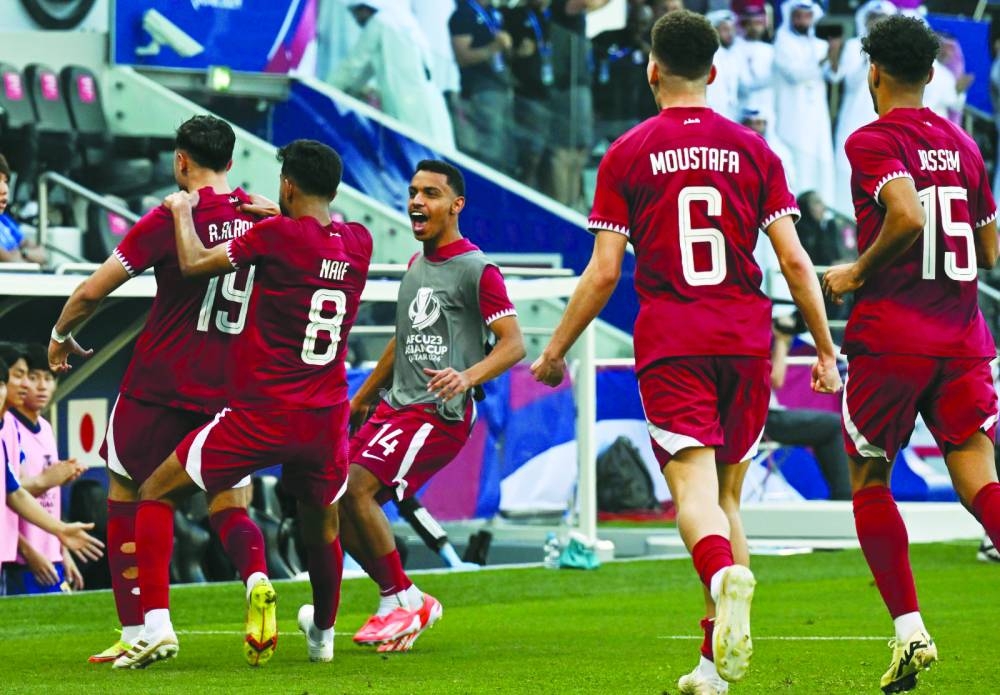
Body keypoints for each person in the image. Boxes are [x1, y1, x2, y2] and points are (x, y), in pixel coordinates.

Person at [530, 11, 841, 694]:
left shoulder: (627, 153)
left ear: (651, 69)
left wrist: (555, 347)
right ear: (716, 70)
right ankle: (713, 664)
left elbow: (605, 270)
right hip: (745, 339)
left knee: (694, 497)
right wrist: (823, 347)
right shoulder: (756, 152)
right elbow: (793, 258)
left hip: (676, 341)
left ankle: (721, 574)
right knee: (729, 497)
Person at [112, 140, 372, 670]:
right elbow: (315, 237)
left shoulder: (274, 235)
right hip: (326, 417)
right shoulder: (359, 241)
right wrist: (282, 216)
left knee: (155, 490)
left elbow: (192, 263)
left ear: (289, 184)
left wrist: (183, 210)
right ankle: (322, 636)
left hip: (264, 412)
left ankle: (155, 628)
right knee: (322, 528)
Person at [48, 115, 273, 665]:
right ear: (230, 160)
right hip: (230, 391)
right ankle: (257, 579)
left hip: (159, 384)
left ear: (180, 161)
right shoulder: (262, 218)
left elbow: (91, 290)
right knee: (230, 501)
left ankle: (145, 626)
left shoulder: (170, 217)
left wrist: (59, 336)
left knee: (129, 495)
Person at [822, 15, 1000, 692]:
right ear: (932, 75)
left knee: (870, 476)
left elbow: (906, 213)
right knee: (980, 484)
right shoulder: (965, 145)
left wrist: (856, 272)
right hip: (961, 337)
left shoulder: (871, 139)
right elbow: (988, 250)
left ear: (873, 74)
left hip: (893, 337)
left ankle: (909, 630)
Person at [342, 159, 524, 652]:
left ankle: (403, 597)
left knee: (357, 491)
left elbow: (513, 344)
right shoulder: (415, 265)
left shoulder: (476, 269)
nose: (418, 201)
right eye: (414, 192)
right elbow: (404, 339)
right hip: (395, 408)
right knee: (339, 506)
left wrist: (466, 377)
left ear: (455, 205)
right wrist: (362, 397)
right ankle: (398, 602)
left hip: (437, 414)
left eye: (432, 194)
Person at [0, 352, 103, 596]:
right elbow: (17, 493)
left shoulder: (42, 428)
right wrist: (26, 550)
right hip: (21, 560)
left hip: (37, 554)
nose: (30, 384)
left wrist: (59, 538)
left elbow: (14, 493)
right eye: (22, 376)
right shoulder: (11, 426)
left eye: (47, 378)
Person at [331, 1, 456, 152]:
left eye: (356, 14)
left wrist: (326, 90)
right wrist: (353, 89)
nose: (356, 20)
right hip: (430, 104)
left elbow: (352, 65)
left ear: (364, 8)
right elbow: (367, 68)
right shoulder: (403, 20)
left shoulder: (380, 22)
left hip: (409, 109)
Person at [767, 323, 852, 500]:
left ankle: (844, 496)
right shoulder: (748, 333)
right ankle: (844, 498)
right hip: (760, 417)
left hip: (755, 415)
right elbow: (775, 379)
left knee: (831, 427)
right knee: (834, 426)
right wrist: (782, 341)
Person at [829, 0, 896, 216]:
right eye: (873, 19)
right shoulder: (853, 46)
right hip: (854, 117)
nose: (877, 23)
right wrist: (869, 57)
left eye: (882, 19)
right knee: (847, 167)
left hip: (884, 120)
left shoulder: (896, 50)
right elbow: (849, 80)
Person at [772, 0, 840, 203]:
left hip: (817, 116)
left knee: (821, 162)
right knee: (799, 163)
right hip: (793, 116)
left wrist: (834, 56)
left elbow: (833, 77)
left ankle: (822, 214)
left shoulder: (818, 44)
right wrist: (825, 58)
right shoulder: (782, 40)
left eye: (807, 15)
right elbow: (795, 74)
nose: (802, 20)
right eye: (798, 15)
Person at [449, 0, 515, 174]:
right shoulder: (463, 13)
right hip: (480, 90)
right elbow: (462, 56)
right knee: (488, 149)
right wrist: (494, 47)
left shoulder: (494, 12)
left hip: (502, 87)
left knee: (502, 148)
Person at [504, 0, 554, 191]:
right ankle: (522, 194)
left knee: (542, 156)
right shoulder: (514, 15)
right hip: (525, 95)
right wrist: (517, 53)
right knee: (529, 154)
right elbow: (505, 54)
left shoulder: (547, 17)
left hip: (547, 94)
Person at [0, 154, 46, 264]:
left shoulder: (4, 220)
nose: (4, 189)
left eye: (5, 181)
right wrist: (23, 256)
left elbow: (42, 255)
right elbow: (12, 262)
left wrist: (22, 252)